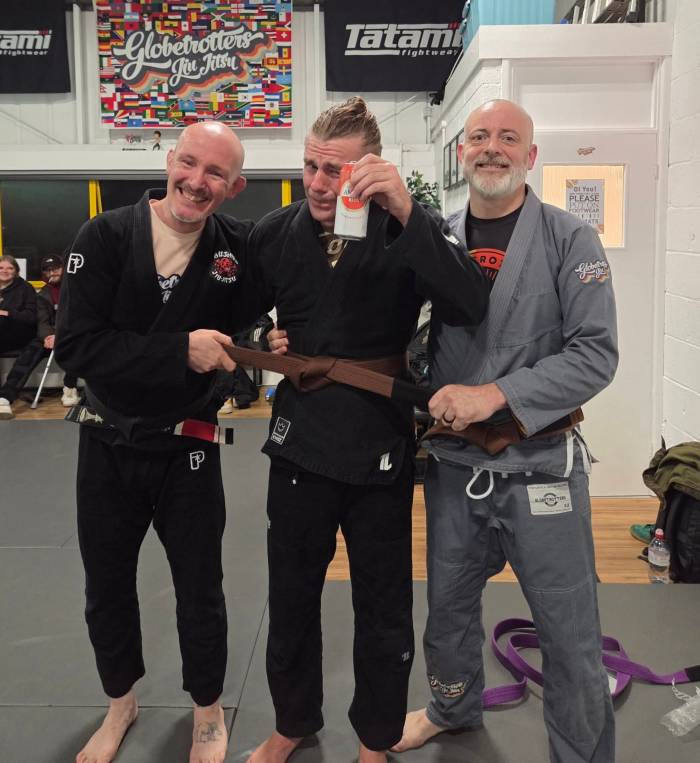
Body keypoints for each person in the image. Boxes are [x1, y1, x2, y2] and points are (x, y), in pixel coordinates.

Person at [246, 97, 489, 763]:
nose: (319, 183)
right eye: (311, 166)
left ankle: (375, 738)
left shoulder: (404, 226)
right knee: (290, 596)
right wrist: (263, 335)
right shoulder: (275, 231)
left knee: (383, 606)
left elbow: (471, 300)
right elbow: (239, 307)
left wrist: (407, 209)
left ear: (370, 168)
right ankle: (292, 722)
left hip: (378, 436)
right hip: (299, 436)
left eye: (336, 170)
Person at [392, 99, 618, 762]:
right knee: (447, 610)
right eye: (480, 136)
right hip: (455, 467)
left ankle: (582, 753)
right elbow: (396, 331)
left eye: (509, 138)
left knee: (568, 628)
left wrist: (494, 394)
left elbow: (595, 354)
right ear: (462, 152)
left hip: (541, 467)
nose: (492, 147)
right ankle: (452, 705)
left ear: (531, 155)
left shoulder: (570, 239)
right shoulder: (435, 238)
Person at [55, 121, 258, 763]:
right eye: (189, 163)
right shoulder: (105, 235)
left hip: (190, 444)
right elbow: (77, 347)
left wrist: (273, 344)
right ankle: (121, 703)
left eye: (216, 173)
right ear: (169, 160)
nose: (197, 181)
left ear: (234, 187)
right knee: (106, 583)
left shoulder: (237, 248)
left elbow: (285, 298)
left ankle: (207, 709)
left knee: (200, 586)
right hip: (108, 441)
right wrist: (179, 350)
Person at [0, 254, 80, 419]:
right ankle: (5, 397)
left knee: (78, 346)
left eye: (56, 269)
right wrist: (48, 336)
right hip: (49, 336)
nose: (52, 273)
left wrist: (60, 335)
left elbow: (80, 318)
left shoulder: (76, 289)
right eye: (48, 270)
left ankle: (70, 388)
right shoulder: (43, 293)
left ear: (64, 269)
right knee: (30, 352)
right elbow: (42, 320)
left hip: (72, 334)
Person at [0, 254, 37, 354]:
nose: (4, 271)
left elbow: (31, 317)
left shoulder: (26, 288)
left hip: (17, 334)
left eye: (10, 268)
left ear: (16, 271)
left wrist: (7, 313)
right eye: (1, 268)